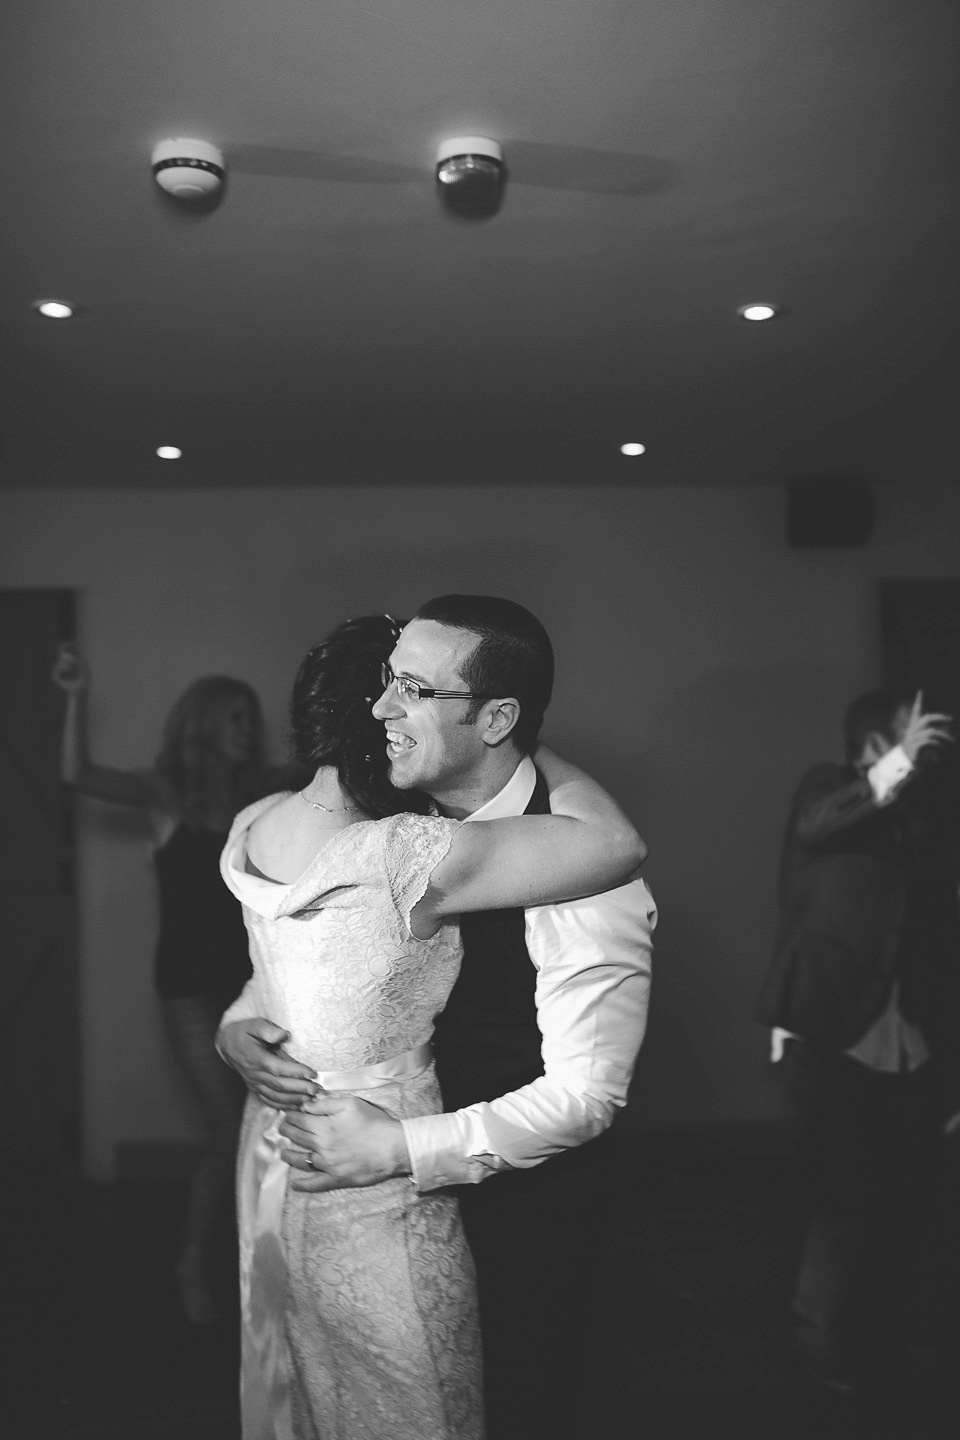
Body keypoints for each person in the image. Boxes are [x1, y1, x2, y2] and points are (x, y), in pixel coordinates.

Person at [220, 596, 656, 1440]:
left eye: (412, 689)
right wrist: (241, 1027)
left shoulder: (585, 874)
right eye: (386, 683)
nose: (381, 709)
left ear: (498, 718)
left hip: (517, 1220)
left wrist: (399, 1148)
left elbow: (589, 1093)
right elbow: (310, 973)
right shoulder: (400, 828)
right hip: (377, 1209)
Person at [51, 644, 288, 1324]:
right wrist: (75, 695)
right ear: (205, 722)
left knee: (271, 1127)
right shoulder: (166, 793)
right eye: (235, 718)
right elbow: (78, 775)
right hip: (189, 988)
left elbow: (340, 775)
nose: (248, 728)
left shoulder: (263, 792)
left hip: (259, 987)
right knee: (229, 1130)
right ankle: (193, 1263)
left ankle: (264, 1268)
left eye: (251, 717)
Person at [755, 688, 960, 1394]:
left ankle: (890, 1347)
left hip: (914, 1042)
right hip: (834, 1036)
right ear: (878, 740)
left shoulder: (922, 817)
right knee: (837, 1201)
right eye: (914, 734)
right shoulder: (830, 790)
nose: (932, 743)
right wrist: (900, 759)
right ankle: (811, 1354)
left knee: (908, 1200)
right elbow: (819, 827)